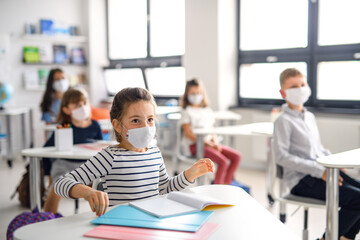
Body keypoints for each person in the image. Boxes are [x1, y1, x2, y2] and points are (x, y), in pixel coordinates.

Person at [54, 87, 214, 216]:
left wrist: (189, 175)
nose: (145, 126)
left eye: (150, 119)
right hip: (122, 225)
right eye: (136, 121)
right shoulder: (110, 157)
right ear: (117, 125)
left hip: (151, 222)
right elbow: (60, 183)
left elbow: (164, 188)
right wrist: (87, 192)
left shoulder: (155, 153)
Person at [273, 68, 360, 240]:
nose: (299, 89)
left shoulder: (309, 117)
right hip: (302, 180)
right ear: (283, 92)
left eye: (302, 84)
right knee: (358, 198)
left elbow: (318, 149)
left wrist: (333, 162)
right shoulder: (283, 121)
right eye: (293, 87)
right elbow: (282, 157)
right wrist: (320, 171)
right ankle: (326, 239)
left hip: (322, 173)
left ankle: (344, 238)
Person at [43, 88, 103, 214]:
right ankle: (47, 218)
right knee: (56, 188)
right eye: (77, 105)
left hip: (88, 168)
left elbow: (101, 151)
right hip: (63, 167)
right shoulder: (63, 127)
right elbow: (45, 152)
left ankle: (102, 216)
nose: (82, 107)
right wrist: (49, 177)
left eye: (84, 103)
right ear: (66, 109)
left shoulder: (95, 126)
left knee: (101, 188)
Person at [180, 79, 241, 185]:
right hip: (196, 145)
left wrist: (215, 142)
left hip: (210, 144)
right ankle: (217, 188)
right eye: (193, 93)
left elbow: (212, 131)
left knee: (236, 156)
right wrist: (210, 144)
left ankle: (225, 184)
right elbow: (188, 134)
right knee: (223, 162)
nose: (196, 96)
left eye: (198, 93)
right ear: (187, 94)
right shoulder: (186, 111)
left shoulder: (207, 110)